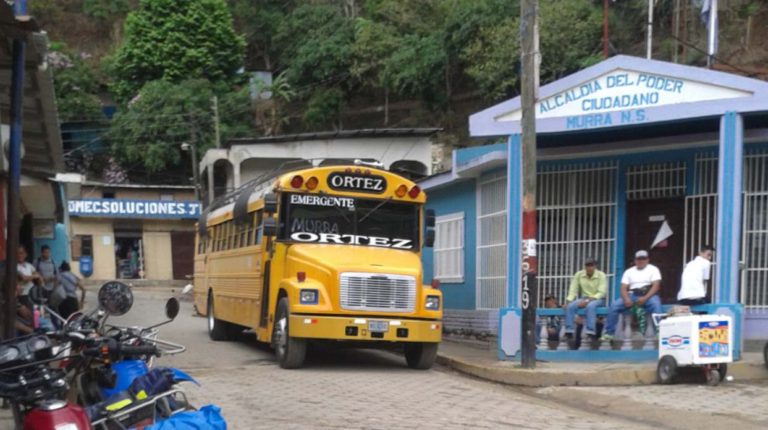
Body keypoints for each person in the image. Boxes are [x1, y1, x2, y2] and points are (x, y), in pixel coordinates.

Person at [601, 250, 663, 341]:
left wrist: (645, 298)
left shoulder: (653, 269)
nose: (641, 261)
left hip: (648, 294)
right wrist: (626, 299)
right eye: (638, 259)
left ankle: (659, 331)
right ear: (635, 260)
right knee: (614, 305)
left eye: (643, 259)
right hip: (633, 294)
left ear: (648, 260)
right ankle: (609, 333)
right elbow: (623, 287)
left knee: (656, 305)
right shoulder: (629, 271)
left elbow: (656, 286)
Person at [563, 258, 607, 343]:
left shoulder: (601, 275)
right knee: (570, 306)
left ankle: (591, 333)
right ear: (585, 266)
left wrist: (587, 301)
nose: (589, 267)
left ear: (595, 266)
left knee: (590, 306)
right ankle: (569, 332)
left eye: (591, 265)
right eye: (587, 265)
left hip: (598, 299)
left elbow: (601, 292)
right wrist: (568, 301)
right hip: (584, 298)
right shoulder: (579, 274)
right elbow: (573, 289)